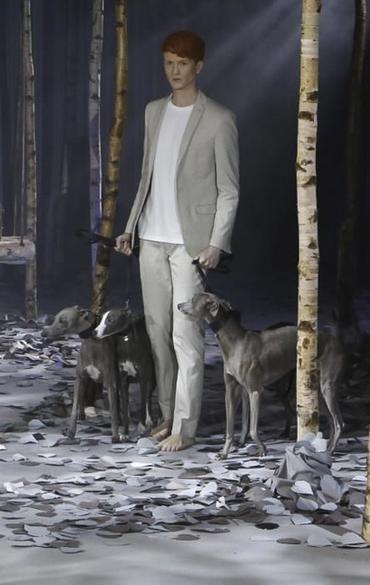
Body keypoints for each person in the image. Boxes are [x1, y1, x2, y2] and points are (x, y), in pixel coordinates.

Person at [115, 30, 239, 453]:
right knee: (157, 333)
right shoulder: (153, 111)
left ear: (198, 66)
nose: (175, 71)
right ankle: (168, 414)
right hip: (151, 238)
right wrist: (131, 226)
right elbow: (147, 176)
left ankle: (185, 427)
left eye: (182, 63)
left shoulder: (219, 118)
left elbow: (229, 190)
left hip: (191, 245)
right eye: (169, 63)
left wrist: (217, 243)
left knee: (186, 337)